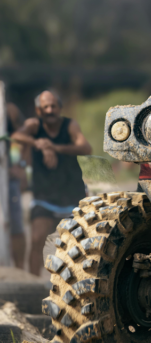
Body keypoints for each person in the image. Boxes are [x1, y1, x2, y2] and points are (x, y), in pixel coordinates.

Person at [11, 91, 92, 275]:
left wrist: (54, 147)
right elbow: (17, 136)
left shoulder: (70, 125)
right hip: (44, 196)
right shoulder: (34, 125)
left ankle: (79, 282)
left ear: (60, 108)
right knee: (37, 238)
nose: (50, 110)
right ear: (38, 110)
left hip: (71, 194)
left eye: (53, 106)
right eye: (45, 107)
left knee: (77, 245)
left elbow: (85, 147)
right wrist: (38, 143)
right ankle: (32, 283)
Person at [6, 103, 28, 269]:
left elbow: (22, 136)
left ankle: (19, 270)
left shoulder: (8, 109)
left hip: (7, 178)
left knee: (15, 225)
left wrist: (20, 165)